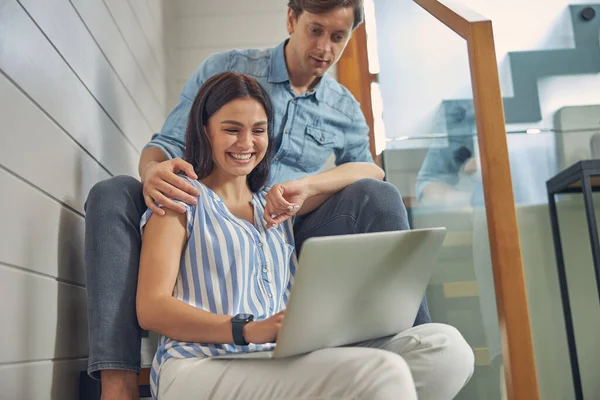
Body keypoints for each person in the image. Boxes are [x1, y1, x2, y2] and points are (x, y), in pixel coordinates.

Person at [84, 1, 472, 398]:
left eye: (338, 37)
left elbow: (371, 170)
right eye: (316, 30)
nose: (324, 47)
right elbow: (163, 148)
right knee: (113, 191)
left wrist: (309, 187)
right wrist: (153, 174)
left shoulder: (340, 110)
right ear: (292, 19)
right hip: (211, 341)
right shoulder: (185, 198)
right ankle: (117, 386)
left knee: (446, 348)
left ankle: (398, 337)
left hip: (285, 222)